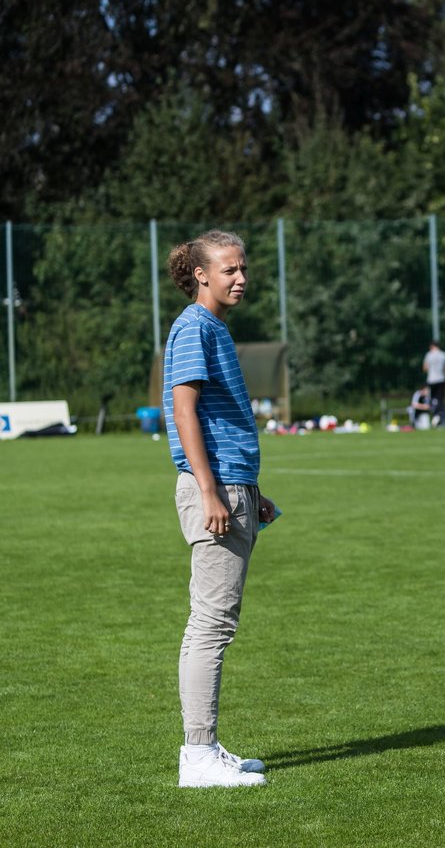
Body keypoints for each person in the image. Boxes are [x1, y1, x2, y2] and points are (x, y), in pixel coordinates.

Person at [163, 230, 277, 788]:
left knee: (214, 623)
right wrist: (211, 492)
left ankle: (204, 748)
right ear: (201, 275)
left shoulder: (212, 329)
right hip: (215, 491)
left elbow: (216, 420)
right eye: (229, 269)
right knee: (211, 625)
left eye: (243, 268)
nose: (241, 278)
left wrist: (250, 493)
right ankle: (198, 755)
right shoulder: (194, 327)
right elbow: (184, 412)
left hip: (234, 488)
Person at [422, 340, 445, 427]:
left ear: (432, 346)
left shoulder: (429, 355)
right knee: (440, 399)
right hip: (441, 380)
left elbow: (425, 368)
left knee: (432, 399)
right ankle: (440, 417)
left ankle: (435, 415)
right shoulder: (444, 355)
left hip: (431, 380)